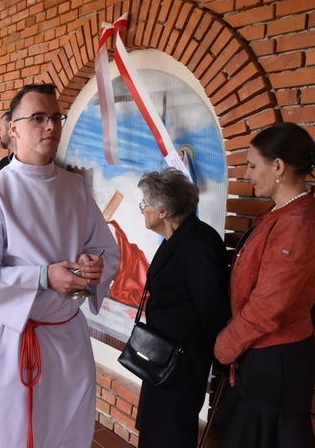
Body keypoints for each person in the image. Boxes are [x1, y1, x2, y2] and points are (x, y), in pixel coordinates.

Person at [0, 84, 120, 448]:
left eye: (55, 118)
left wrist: (93, 268)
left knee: (68, 428)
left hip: (68, 333)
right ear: (13, 129)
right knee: (11, 434)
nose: (51, 126)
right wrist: (44, 277)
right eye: (38, 118)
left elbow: (105, 249)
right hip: (17, 337)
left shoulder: (75, 188)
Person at [214, 122, 315, 448]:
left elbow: (267, 307)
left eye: (252, 165)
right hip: (262, 353)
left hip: (277, 361)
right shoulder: (284, 214)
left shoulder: (297, 224)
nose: (248, 174)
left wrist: (225, 345)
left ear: (277, 166)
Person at [133, 168, 230, 448]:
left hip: (182, 365)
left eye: (145, 204)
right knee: (155, 431)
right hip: (162, 358)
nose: (143, 210)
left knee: (171, 434)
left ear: (163, 211)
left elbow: (212, 309)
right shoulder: (175, 239)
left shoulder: (199, 243)